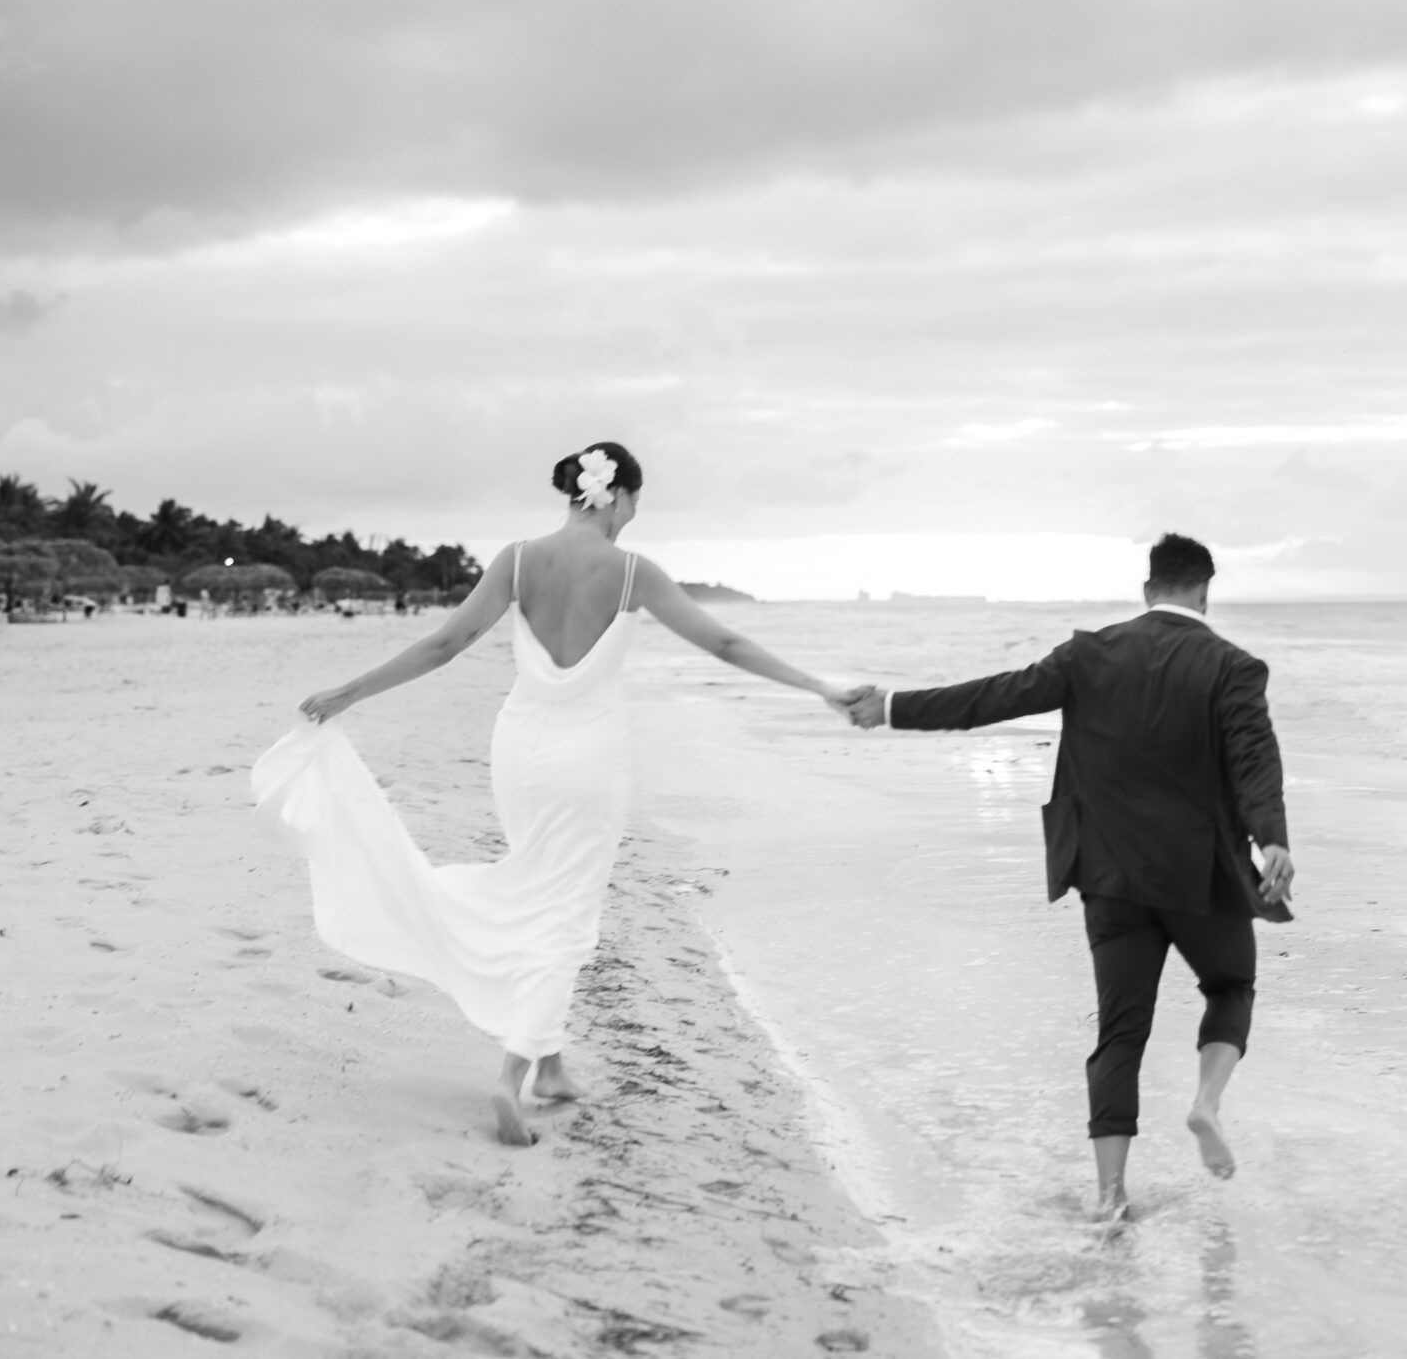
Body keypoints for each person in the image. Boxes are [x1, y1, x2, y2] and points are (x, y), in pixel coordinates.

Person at [266, 442, 866, 1146]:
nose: (634, 515)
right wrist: (821, 687)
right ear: (616, 495)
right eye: (636, 502)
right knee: (566, 908)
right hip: (589, 759)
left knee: (541, 885)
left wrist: (347, 693)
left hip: (519, 749)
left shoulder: (517, 559)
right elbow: (726, 646)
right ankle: (511, 1074)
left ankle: (551, 1066)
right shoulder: (632, 571)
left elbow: (443, 644)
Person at [842, 533, 1293, 1222]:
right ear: (1205, 591)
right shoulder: (1234, 666)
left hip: (1108, 873)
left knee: (1120, 1031)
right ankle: (1205, 1103)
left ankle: (1111, 1196)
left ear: (1148, 590)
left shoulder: (1090, 652)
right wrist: (1272, 840)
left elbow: (994, 697)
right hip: (1199, 876)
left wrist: (892, 706)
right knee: (1231, 984)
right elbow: (1254, 758)